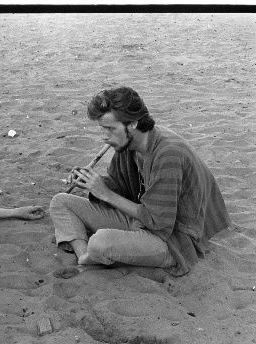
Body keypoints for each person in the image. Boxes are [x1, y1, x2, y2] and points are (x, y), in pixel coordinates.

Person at [49, 86, 231, 276]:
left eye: (110, 128)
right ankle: (85, 258)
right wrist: (91, 183)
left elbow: (157, 221)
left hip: (172, 238)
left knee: (100, 242)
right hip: (140, 219)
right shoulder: (128, 144)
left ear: (133, 124)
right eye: (102, 128)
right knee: (61, 202)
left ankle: (93, 256)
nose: (104, 136)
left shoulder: (169, 154)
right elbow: (119, 188)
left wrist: (105, 193)